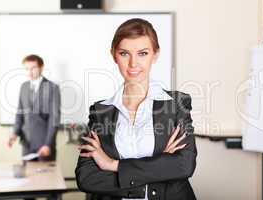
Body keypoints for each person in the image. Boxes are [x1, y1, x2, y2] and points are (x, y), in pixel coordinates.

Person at [75, 18, 197, 200]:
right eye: (124, 53)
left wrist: (113, 164)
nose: (133, 64)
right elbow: (87, 178)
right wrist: (160, 165)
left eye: (142, 53)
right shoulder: (100, 111)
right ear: (114, 55)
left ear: (155, 55)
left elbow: (184, 165)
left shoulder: (176, 104)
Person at [7, 54, 61, 162]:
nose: (29, 72)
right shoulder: (24, 87)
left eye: (33, 68)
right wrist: (14, 134)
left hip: (44, 145)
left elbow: (54, 119)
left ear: (41, 67)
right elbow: (20, 114)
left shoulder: (52, 88)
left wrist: (48, 144)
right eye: (27, 69)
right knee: (27, 177)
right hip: (27, 143)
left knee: (45, 178)